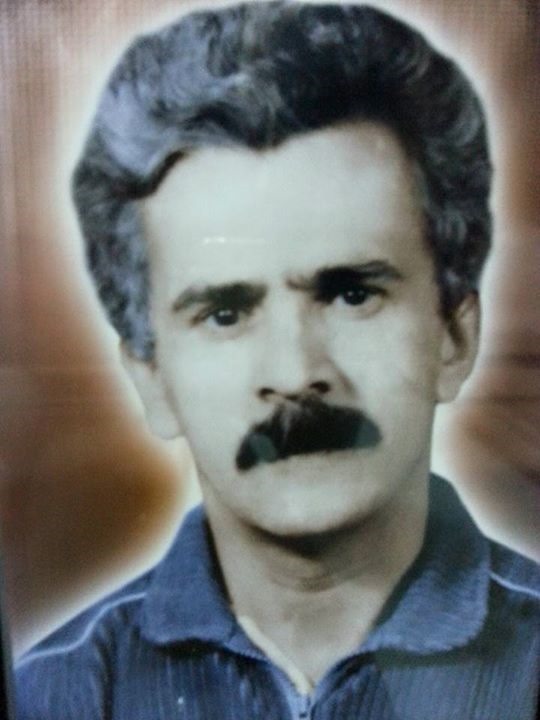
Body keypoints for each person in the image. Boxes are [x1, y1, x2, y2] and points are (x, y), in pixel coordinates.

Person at [14, 2, 539, 718]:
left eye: (352, 294)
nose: (295, 374)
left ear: (453, 335)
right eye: (225, 314)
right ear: (151, 378)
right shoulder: (50, 698)